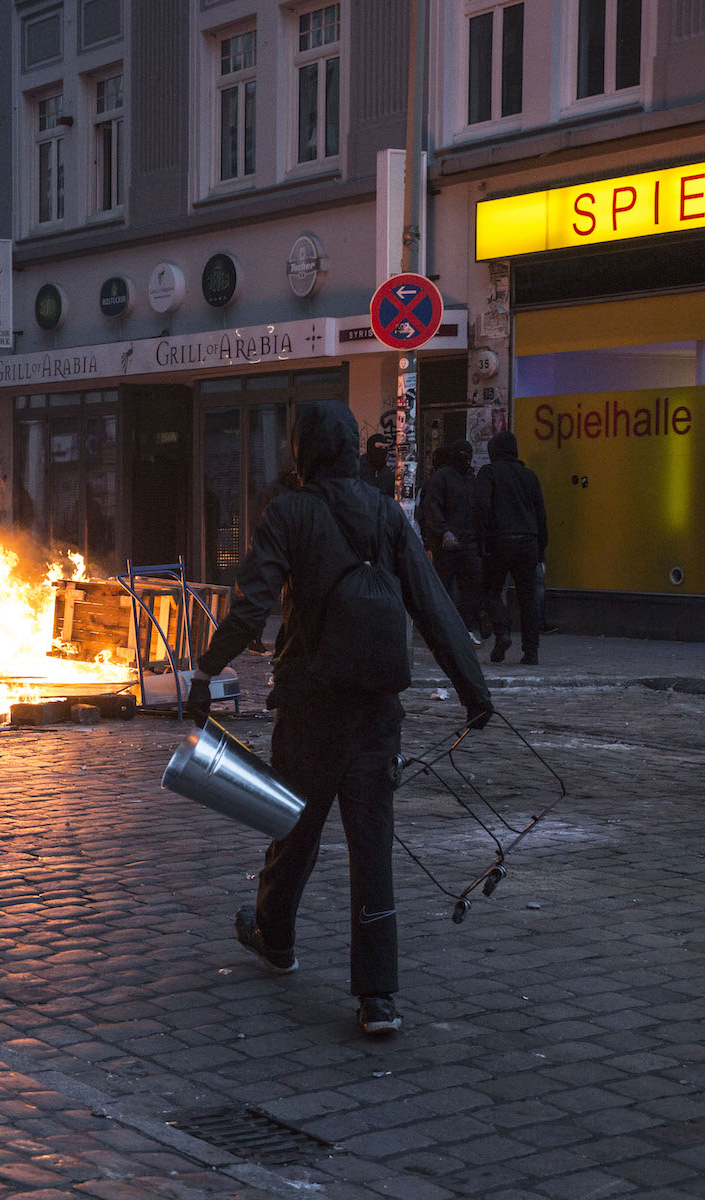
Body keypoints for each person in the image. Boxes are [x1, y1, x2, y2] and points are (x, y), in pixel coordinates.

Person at [184, 402, 492, 1037]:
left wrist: (205, 671)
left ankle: (274, 934)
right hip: (378, 709)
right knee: (371, 846)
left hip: (310, 704)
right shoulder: (387, 514)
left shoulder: (287, 513)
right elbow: (433, 606)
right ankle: (378, 996)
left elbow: (250, 611)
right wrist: (474, 690)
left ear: (301, 451)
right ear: (353, 448)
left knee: (293, 825)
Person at [475, 429, 549, 665]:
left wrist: (482, 539)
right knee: (527, 597)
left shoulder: (489, 473)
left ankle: (502, 633)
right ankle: (531, 650)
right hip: (528, 541)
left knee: (492, 590)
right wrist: (540, 549)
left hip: (499, 540)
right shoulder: (530, 476)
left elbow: (482, 507)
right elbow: (541, 515)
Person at [419, 439, 484, 645]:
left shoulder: (470, 479)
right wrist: (444, 532)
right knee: (445, 588)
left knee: (471, 586)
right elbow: (432, 508)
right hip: (447, 544)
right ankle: (445, 629)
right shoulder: (443, 478)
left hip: (467, 541)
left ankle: (465, 627)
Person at [358, 434, 396, 498]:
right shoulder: (358, 470)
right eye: (379, 447)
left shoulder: (387, 474)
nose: (383, 451)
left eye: (385, 448)